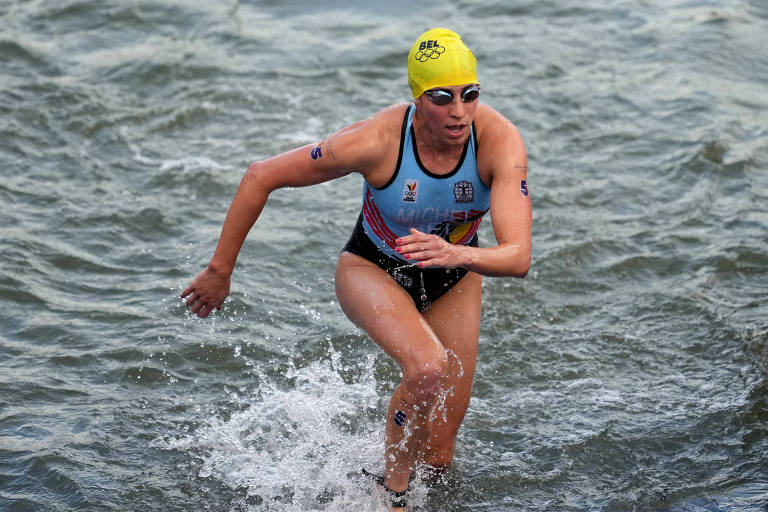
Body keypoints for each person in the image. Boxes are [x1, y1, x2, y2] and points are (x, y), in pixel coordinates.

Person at [181, 28, 531, 510]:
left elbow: (518, 257)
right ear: (416, 97)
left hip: (455, 276)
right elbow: (261, 175)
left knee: (441, 454)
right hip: (373, 267)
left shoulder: (499, 143)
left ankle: (406, 478)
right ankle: (393, 496)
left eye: (470, 95)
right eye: (441, 97)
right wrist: (220, 270)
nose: (458, 111)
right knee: (427, 367)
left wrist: (459, 255)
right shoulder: (375, 141)